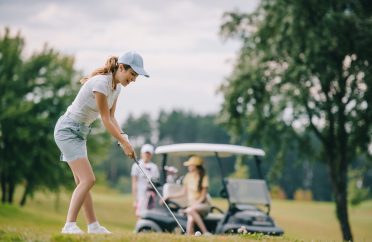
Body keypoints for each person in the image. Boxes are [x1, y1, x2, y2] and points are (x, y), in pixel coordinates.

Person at [54, 51, 149, 234]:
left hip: (80, 133)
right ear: (121, 67)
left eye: (136, 76)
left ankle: (93, 226)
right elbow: (105, 119)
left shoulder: (117, 87)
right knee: (88, 180)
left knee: (83, 181)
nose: (134, 79)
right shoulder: (101, 83)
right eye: (133, 74)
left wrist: (124, 138)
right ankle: (69, 226)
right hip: (67, 131)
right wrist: (124, 144)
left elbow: (112, 117)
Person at [163, 155, 211, 235]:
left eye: (190, 165)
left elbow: (203, 197)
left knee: (190, 210)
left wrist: (193, 205)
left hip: (202, 205)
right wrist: (169, 196)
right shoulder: (188, 176)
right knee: (190, 219)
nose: (188, 166)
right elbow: (183, 193)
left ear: (195, 166)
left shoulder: (203, 177)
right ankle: (189, 236)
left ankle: (205, 232)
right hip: (192, 206)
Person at [131, 144, 159, 219]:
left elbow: (156, 183)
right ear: (141, 153)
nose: (147, 155)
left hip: (151, 195)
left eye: (149, 153)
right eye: (145, 153)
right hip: (140, 194)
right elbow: (134, 183)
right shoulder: (136, 165)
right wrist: (134, 199)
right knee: (139, 214)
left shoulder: (154, 167)